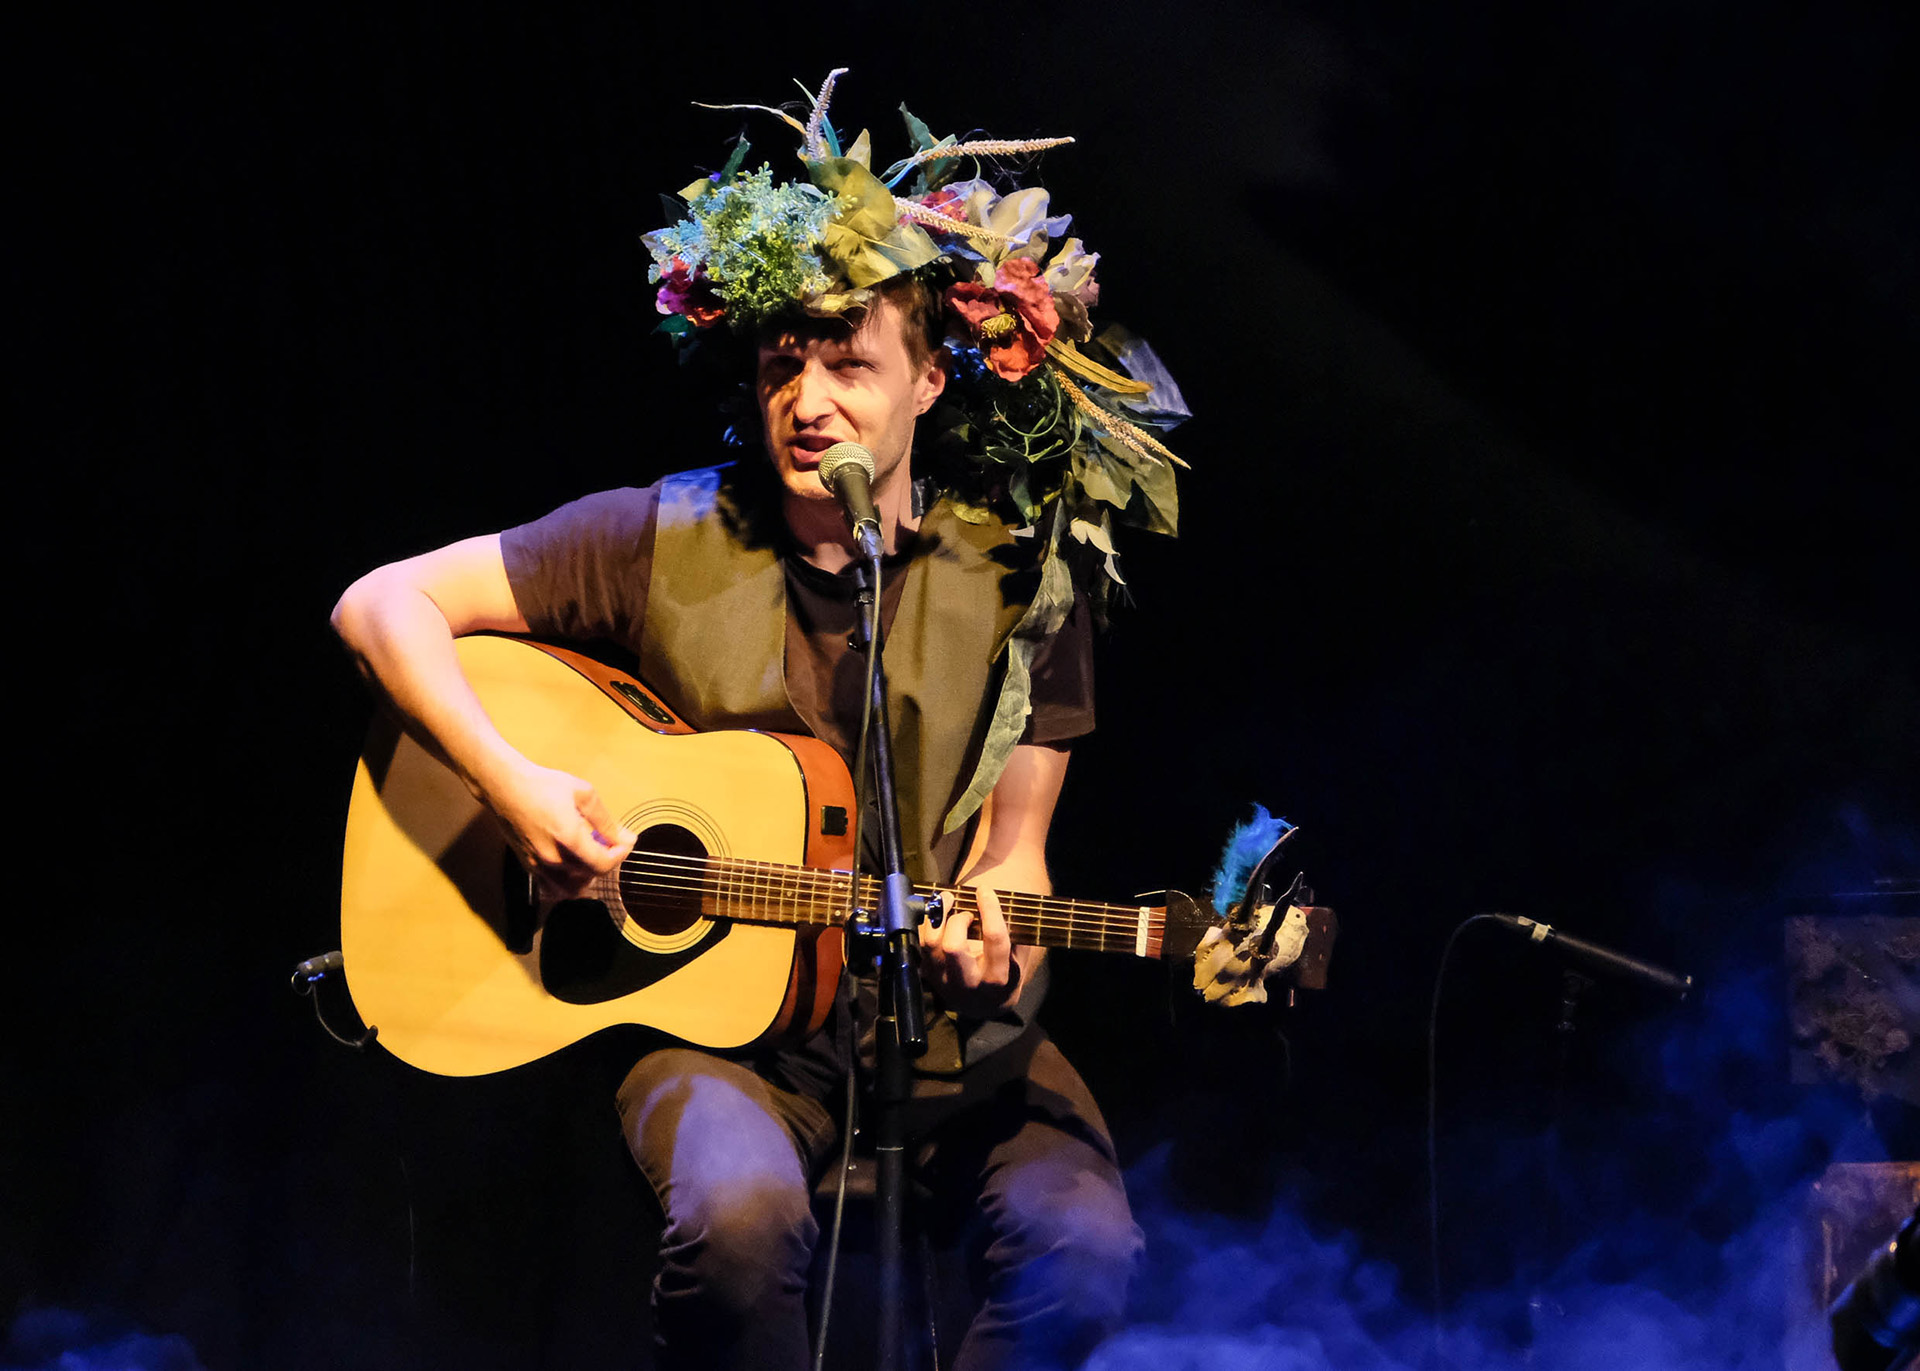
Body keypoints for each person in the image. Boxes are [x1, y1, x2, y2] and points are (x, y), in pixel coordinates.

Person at [332, 72, 1190, 1371]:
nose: (809, 399)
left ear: (929, 384)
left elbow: (1016, 859)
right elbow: (380, 604)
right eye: (785, 362)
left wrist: (995, 943)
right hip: (712, 1035)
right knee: (737, 1228)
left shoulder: (1026, 581)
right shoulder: (654, 536)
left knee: (1080, 1255)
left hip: (941, 1039)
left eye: (850, 365)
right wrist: (511, 784)